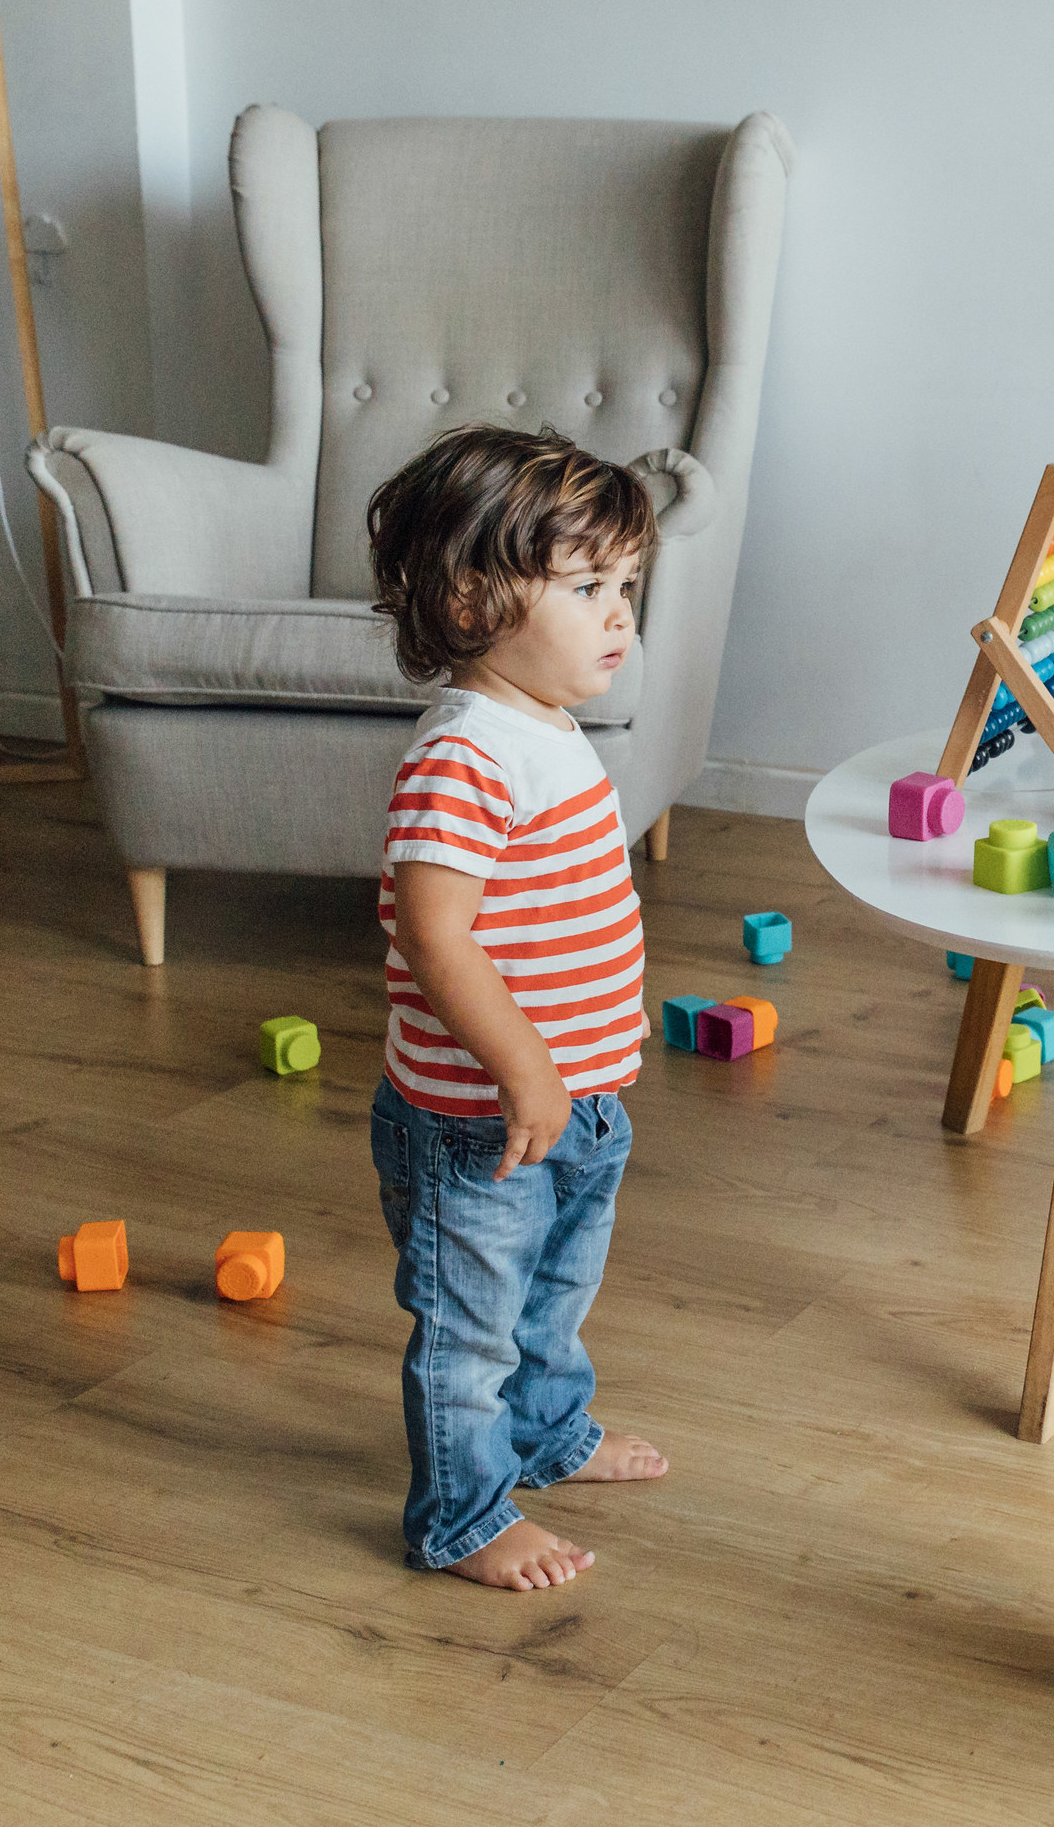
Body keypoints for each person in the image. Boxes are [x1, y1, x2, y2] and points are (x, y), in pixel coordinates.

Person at [366, 424, 671, 1587]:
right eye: (587, 585)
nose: (619, 615)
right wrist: (528, 1067)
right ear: (473, 600)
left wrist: (603, 1019)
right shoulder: (462, 755)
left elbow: (560, 914)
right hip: (476, 1123)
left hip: (574, 1100)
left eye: (626, 585)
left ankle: (546, 1435)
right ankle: (465, 1514)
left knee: (556, 1293)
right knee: (470, 1331)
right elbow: (432, 933)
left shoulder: (545, 727)